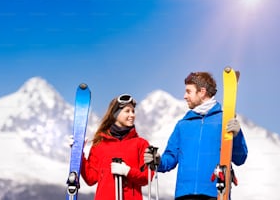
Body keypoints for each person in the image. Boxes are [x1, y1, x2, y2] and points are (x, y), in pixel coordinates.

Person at [144, 72, 248, 200]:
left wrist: (237, 136)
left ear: (202, 92)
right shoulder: (182, 125)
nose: (184, 96)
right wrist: (157, 161)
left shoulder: (224, 120)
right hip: (184, 195)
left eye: (189, 91)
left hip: (215, 194)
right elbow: (169, 159)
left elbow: (240, 158)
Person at [76, 94, 153, 200]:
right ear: (115, 114)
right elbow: (91, 178)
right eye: (127, 111)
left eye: (133, 111)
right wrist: (78, 154)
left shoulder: (141, 144)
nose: (132, 115)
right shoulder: (100, 144)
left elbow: (146, 178)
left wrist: (127, 171)